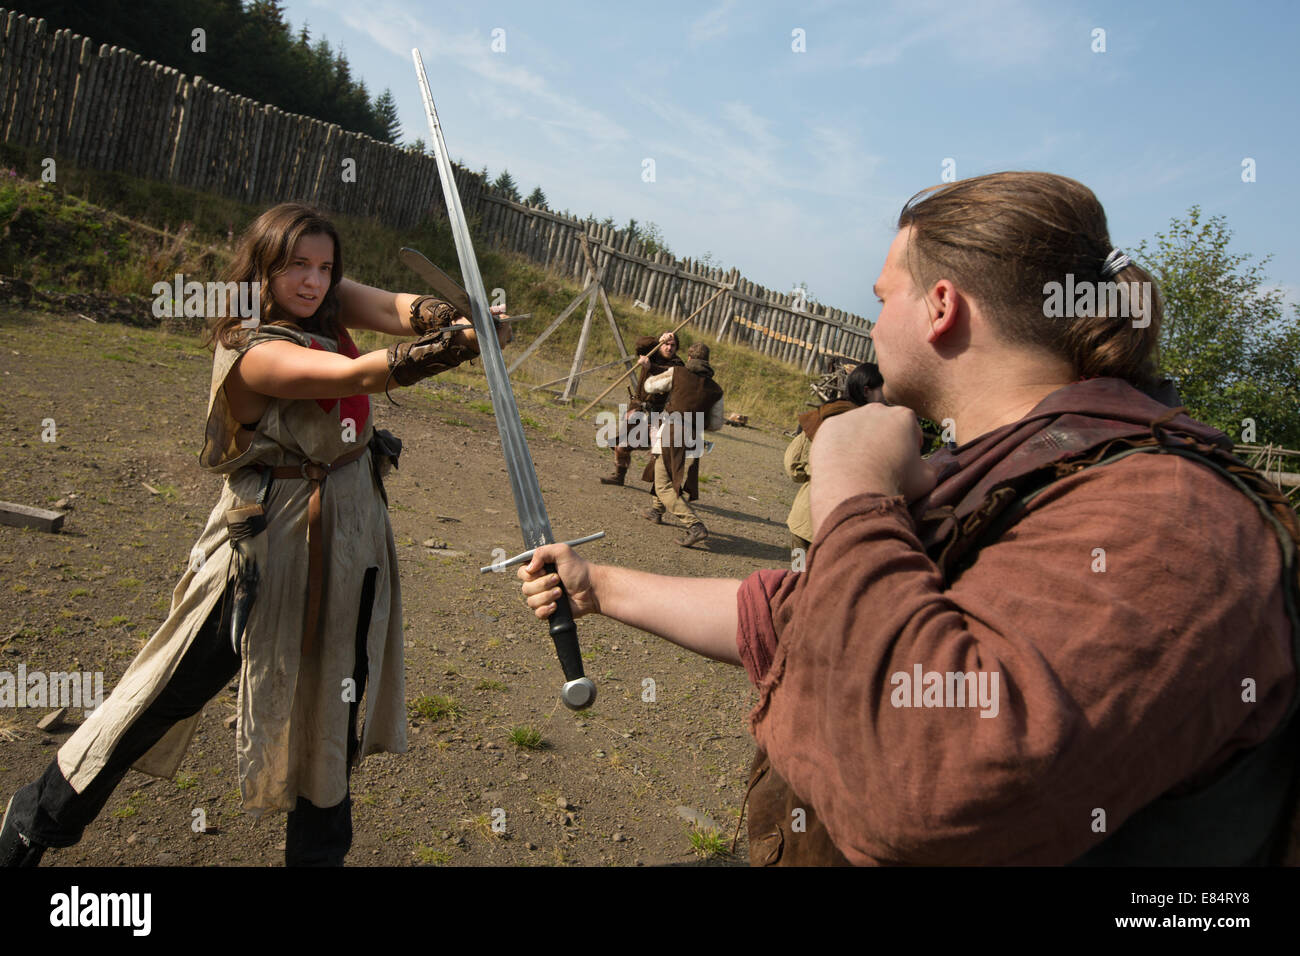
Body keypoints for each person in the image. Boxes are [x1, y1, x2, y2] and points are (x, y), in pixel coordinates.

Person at [518, 172, 1300, 865]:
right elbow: (812, 614)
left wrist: (853, 486)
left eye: (882, 297)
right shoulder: (1010, 470)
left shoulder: (1168, 513)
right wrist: (601, 587)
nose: (870, 321)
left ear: (941, 308)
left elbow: (933, 782)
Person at [0, 202, 510, 867]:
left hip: (347, 532)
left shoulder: (324, 302)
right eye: (297, 265)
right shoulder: (251, 349)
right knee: (166, 691)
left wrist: (447, 316)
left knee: (333, 701)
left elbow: (393, 306)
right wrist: (455, 347)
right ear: (263, 266)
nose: (313, 281)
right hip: (264, 543)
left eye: (325, 267)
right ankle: (35, 819)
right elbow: (355, 374)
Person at [784, 362, 884, 558]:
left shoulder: (824, 413)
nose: (888, 397)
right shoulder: (870, 427)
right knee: (821, 585)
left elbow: (792, 466)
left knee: (797, 578)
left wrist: (815, 472)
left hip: (802, 521)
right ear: (867, 391)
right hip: (836, 527)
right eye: (883, 390)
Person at [638, 343, 725, 547]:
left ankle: (695, 525)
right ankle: (656, 510)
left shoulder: (678, 373)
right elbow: (716, 423)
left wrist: (649, 369)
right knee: (664, 468)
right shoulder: (716, 389)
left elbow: (650, 386)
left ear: (688, 357)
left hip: (672, 432)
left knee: (663, 484)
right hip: (692, 437)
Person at [599, 331, 684, 485]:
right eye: (666, 344)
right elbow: (640, 344)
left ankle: (661, 487)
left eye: (673, 345)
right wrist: (657, 340)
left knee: (659, 451)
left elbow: (670, 375)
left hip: (659, 414)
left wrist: (651, 367)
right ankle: (619, 476)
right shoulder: (651, 352)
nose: (669, 348)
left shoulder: (678, 365)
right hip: (637, 410)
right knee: (622, 445)